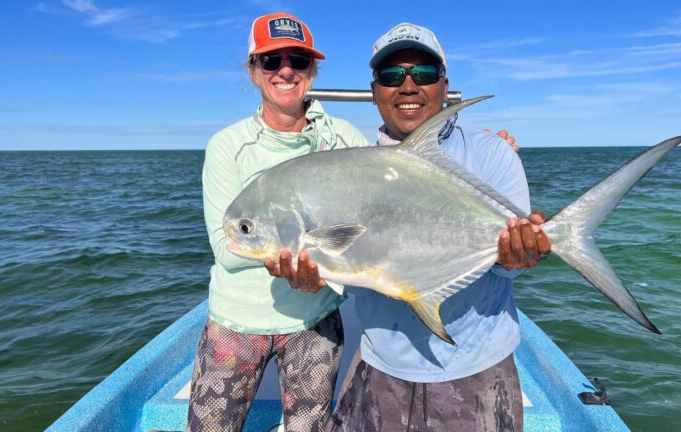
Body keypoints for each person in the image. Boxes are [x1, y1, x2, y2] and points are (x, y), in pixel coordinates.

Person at [267, 23, 550, 431]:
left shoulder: (492, 154)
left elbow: (506, 266)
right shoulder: (350, 169)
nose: (408, 85)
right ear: (375, 91)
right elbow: (356, 268)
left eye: (424, 73)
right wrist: (317, 280)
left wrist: (517, 256)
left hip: (477, 367)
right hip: (380, 364)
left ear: (445, 84)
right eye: (391, 75)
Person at [185, 12, 369, 432]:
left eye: (298, 61)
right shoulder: (228, 146)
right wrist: (306, 255)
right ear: (254, 71)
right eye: (271, 61)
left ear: (313, 70)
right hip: (235, 323)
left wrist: (481, 146)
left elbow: (392, 185)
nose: (285, 70)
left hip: (314, 321)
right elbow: (227, 250)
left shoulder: (345, 140)